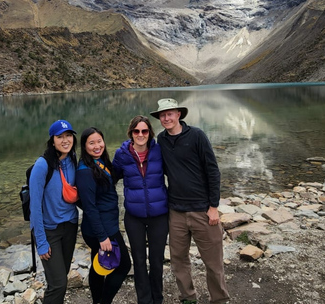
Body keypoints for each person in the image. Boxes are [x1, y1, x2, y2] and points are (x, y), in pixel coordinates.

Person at [151, 98, 229, 304]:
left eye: (170, 113)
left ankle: (219, 299)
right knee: (178, 260)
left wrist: (213, 207)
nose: (166, 118)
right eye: (162, 115)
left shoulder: (197, 136)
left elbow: (213, 171)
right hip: (175, 211)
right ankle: (188, 298)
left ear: (178, 115)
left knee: (213, 262)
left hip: (203, 210)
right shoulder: (161, 140)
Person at [112, 116, 169, 304]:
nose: (140, 135)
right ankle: (144, 301)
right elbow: (110, 180)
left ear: (149, 133)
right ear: (131, 133)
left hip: (159, 215)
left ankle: (157, 299)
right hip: (134, 216)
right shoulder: (122, 155)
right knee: (138, 261)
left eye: (144, 131)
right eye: (136, 131)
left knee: (157, 261)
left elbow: (177, 172)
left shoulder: (159, 150)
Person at [76, 127, 132, 304]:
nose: (97, 146)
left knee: (98, 264)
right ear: (84, 146)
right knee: (123, 266)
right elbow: (90, 207)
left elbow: (109, 180)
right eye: (91, 143)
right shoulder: (85, 171)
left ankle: (97, 300)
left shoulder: (99, 163)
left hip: (102, 226)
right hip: (102, 229)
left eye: (99, 141)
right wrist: (103, 236)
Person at [29, 120, 80, 304]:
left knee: (60, 278)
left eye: (68, 136)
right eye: (60, 137)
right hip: (50, 231)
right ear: (52, 141)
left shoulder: (72, 159)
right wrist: (41, 241)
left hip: (70, 227)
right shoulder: (42, 165)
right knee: (59, 284)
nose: (65, 140)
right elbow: (34, 207)